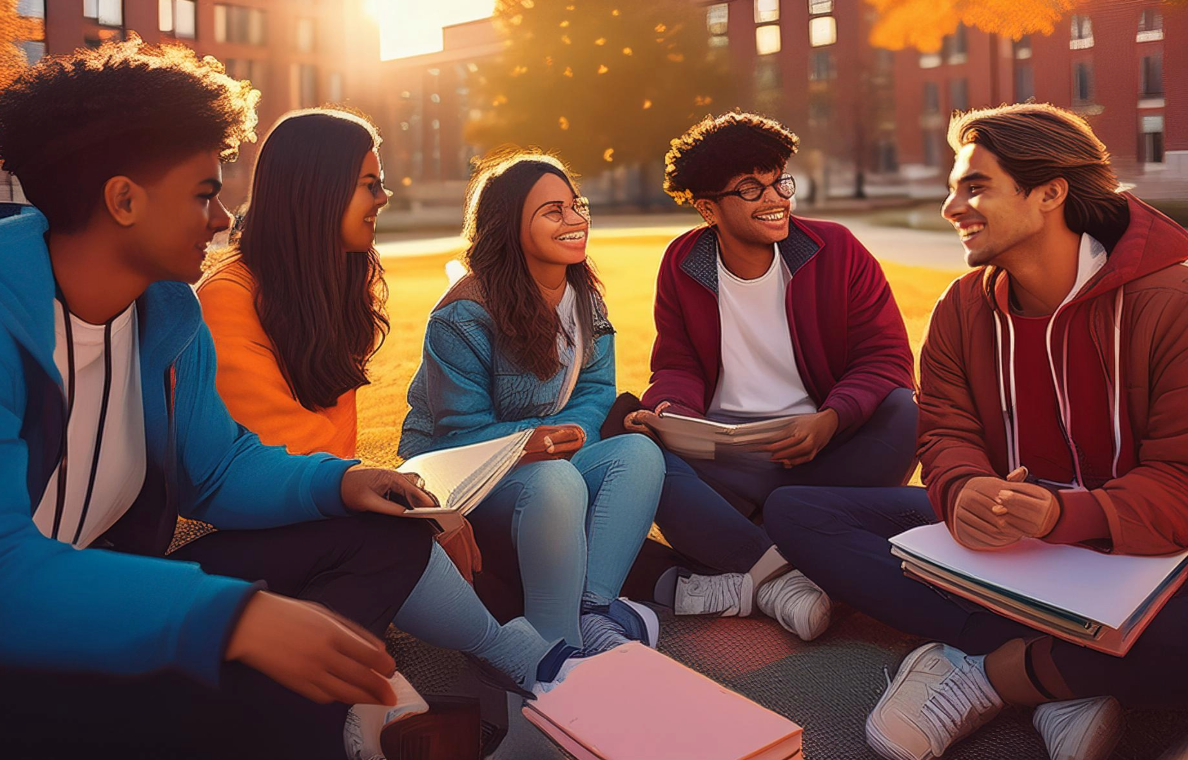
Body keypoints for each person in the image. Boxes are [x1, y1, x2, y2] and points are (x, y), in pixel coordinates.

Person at [0, 39, 562, 759]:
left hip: (115, 589)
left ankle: (310, 710)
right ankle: (292, 716)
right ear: (123, 200)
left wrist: (342, 479)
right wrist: (234, 618)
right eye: (203, 193)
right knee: (242, 676)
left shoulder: (164, 313)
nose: (222, 219)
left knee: (384, 530)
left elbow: (216, 471)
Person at [764, 103, 1188, 760]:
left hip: (1134, 546)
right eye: (953, 187)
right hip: (1011, 547)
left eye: (974, 186)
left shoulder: (1172, 304)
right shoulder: (962, 309)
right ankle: (1082, 665)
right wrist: (963, 491)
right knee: (798, 512)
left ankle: (997, 673)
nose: (951, 207)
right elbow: (945, 433)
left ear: (1049, 193)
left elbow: (1180, 481)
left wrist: (1062, 513)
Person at [197, 107, 589, 707]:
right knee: (401, 538)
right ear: (317, 189)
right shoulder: (229, 300)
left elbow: (331, 448)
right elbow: (277, 457)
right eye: (369, 184)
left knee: (443, 537)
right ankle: (519, 662)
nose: (385, 196)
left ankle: (546, 646)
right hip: (278, 511)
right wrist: (409, 510)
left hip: (328, 499)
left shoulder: (330, 288)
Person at [622, 112, 917, 637]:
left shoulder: (836, 250)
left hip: (824, 448)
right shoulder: (683, 263)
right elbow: (677, 363)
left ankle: (743, 551)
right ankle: (777, 573)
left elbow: (886, 356)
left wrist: (830, 419)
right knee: (628, 430)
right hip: (727, 455)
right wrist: (671, 412)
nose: (776, 197)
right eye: (751, 188)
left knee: (904, 411)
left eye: (779, 179)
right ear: (708, 207)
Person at [399, 150, 665, 655]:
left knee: (639, 455)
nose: (574, 220)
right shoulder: (462, 314)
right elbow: (457, 433)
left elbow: (595, 391)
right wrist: (532, 444)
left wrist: (574, 435)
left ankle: (592, 611)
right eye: (553, 210)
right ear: (509, 225)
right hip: (462, 475)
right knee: (555, 478)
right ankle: (553, 643)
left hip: (545, 459)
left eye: (575, 205)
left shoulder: (585, 300)